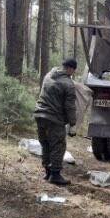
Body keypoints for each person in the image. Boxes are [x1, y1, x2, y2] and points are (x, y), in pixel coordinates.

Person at [33, 58, 79, 186]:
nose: (72, 74)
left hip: (39, 114)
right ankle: (55, 175)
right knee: (58, 145)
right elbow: (70, 106)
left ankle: (47, 172)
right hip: (53, 118)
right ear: (70, 69)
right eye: (73, 71)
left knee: (45, 144)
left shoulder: (49, 74)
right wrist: (73, 124)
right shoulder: (68, 84)